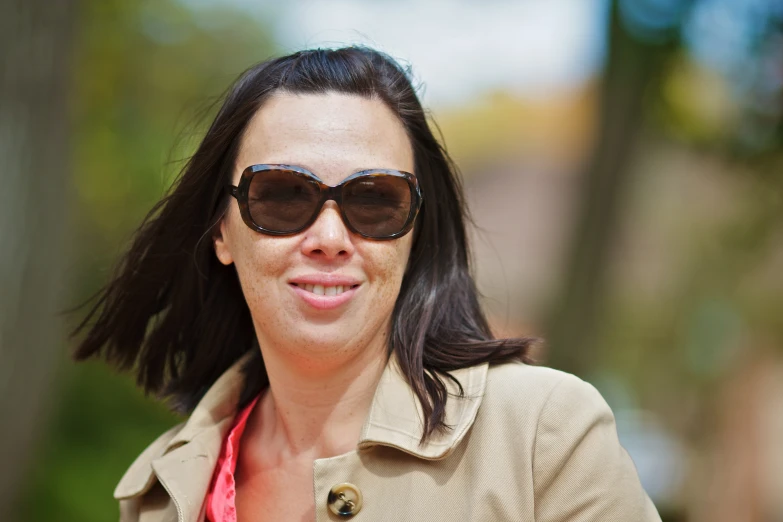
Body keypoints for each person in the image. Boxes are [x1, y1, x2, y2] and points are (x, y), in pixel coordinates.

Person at [72, 47, 661, 522]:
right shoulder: (161, 491)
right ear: (222, 231)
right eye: (282, 195)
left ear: (415, 232)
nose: (329, 236)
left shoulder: (542, 436)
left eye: (375, 200)